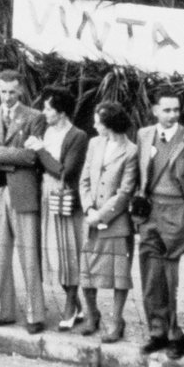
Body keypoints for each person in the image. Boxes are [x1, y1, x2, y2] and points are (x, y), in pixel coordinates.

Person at [0, 68, 46, 333]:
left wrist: (0, 152)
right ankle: (4, 310)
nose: (6, 97)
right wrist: (12, 158)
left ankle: (35, 314)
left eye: (12, 92)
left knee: (29, 254)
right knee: (2, 255)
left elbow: (32, 157)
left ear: (21, 91)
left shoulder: (34, 117)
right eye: (2, 92)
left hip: (22, 192)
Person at [132, 91, 184, 353]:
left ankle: (179, 336)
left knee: (178, 277)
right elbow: (140, 173)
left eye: (176, 110)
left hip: (178, 211)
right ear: (155, 111)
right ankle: (157, 331)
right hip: (150, 212)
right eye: (167, 110)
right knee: (152, 274)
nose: (172, 115)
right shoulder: (144, 134)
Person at [77, 101, 139, 341]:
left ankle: (116, 320)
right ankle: (92, 315)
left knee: (118, 278)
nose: (94, 125)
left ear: (109, 124)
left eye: (98, 122)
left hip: (116, 224)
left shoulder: (131, 150)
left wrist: (101, 215)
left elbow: (125, 192)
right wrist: (88, 208)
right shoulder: (94, 143)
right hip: (90, 220)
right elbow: (84, 179)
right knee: (87, 274)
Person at [28, 88, 88, 331]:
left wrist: (40, 150)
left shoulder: (78, 136)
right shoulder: (45, 129)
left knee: (67, 256)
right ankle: (78, 306)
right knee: (53, 256)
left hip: (64, 199)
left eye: (49, 108)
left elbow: (65, 171)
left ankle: (71, 305)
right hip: (45, 196)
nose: (44, 112)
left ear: (62, 112)